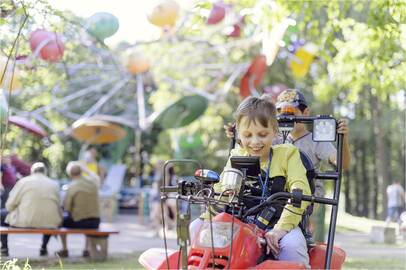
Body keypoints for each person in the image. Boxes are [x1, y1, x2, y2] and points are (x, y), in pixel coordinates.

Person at [193, 97, 311, 267]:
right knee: (195, 228)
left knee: (292, 245)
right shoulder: (237, 155)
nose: (255, 142)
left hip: (278, 223)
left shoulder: (287, 154)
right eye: (247, 135)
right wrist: (205, 219)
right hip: (239, 223)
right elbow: (222, 193)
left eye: (262, 134)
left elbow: (301, 190)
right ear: (239, 134)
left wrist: (279, 230)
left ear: (275, 131)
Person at [0, 162, 62, 257]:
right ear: (45, 172)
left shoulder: (23, 182)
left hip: (25, 221)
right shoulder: (54, 184)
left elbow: (10, 205)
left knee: (1, 214)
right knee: (50, 217)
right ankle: (43, 247)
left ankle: (4, 249)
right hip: (49, 223)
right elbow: (59, 205)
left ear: (32, 171)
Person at [56, 161, 100, 258]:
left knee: (61, 221)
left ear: (70, 174)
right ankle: (86, 249)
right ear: (81, 171)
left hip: (80, 222)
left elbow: (67, 208)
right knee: (88, 220)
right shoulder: (93, 183)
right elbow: (96, 177)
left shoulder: (72, 186)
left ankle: (64, 249)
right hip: (95, 221)